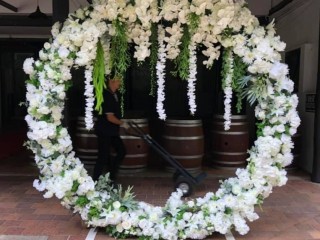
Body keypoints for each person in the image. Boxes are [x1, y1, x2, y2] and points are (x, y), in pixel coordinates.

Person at [93, 77, 128, 182]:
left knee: (121, 151)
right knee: (103, 156)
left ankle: (112, 174)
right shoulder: (106, 95)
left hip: (112, 131)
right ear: (111, 82)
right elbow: (110, 117)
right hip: (104, 131)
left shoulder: (114, 94)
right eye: (118, 81)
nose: (120, 83)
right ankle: (95, 180)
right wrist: (123, 123)